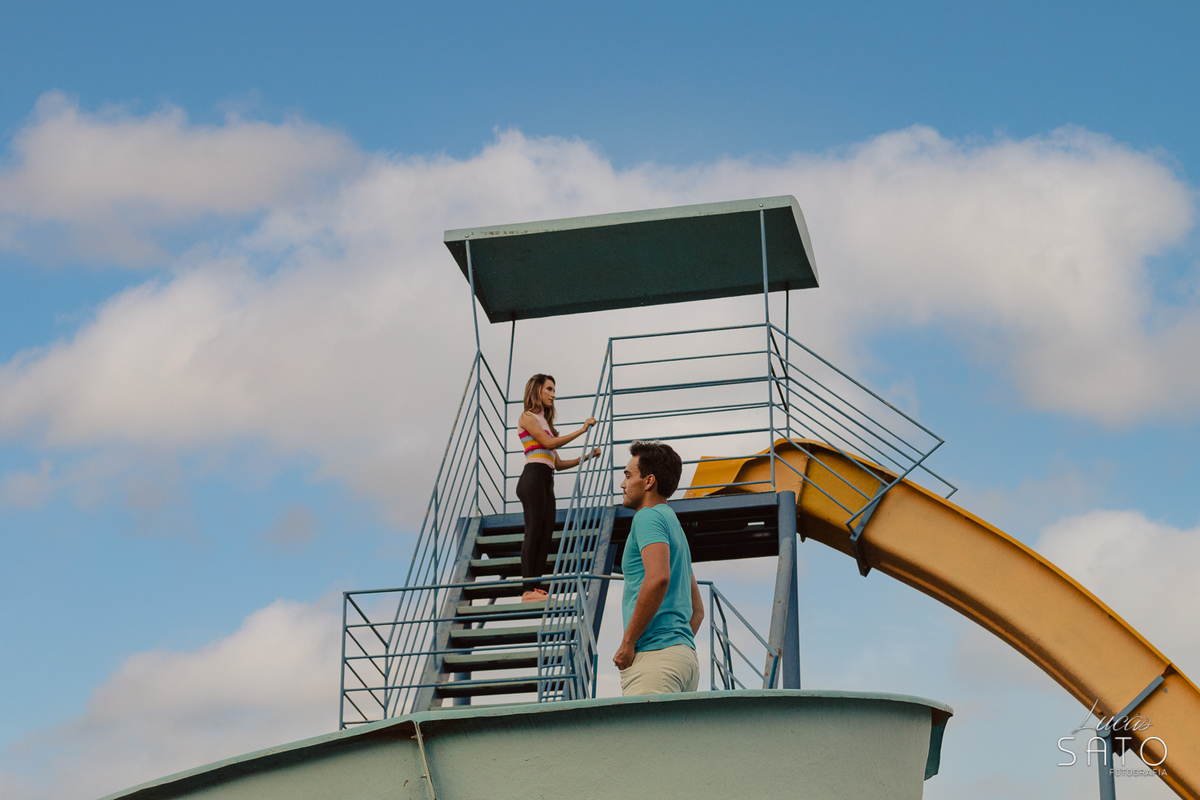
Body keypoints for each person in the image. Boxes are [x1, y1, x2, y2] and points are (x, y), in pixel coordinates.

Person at [613, 440, 704, 695]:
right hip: (684, 660)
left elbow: (658, 578)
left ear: (649, 481)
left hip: (655, 658)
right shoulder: (673, 524)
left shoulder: (647, 516)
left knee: (641, 736)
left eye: (629, 476)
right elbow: (697, 611)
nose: (623, 484)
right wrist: (676, 644)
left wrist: (628, 643)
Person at [515, 373, 600, 602]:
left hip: (546, 478)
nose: (553, 394)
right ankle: (527, 590)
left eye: (554, 390)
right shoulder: (528, 416)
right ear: (537, 390)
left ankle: (537, 587)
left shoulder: (546, 424)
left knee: (546, 533)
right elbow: (550, 444)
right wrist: (582, 430)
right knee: (534, 530)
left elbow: (558, 463)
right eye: (549, 389)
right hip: (532, 477)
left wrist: (587, 456)